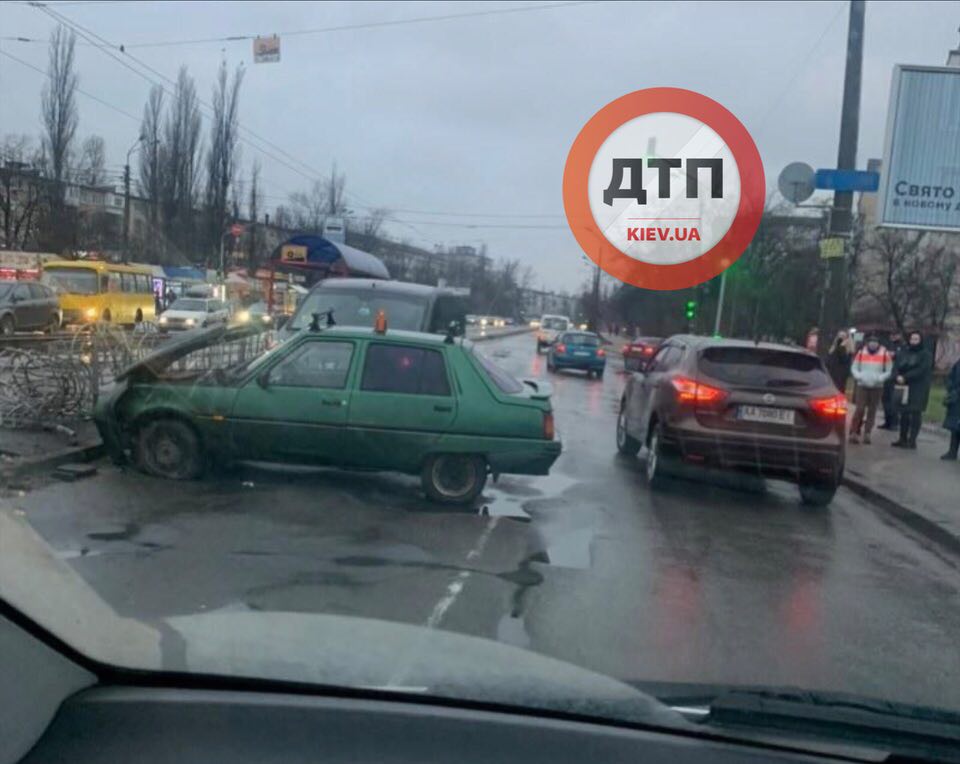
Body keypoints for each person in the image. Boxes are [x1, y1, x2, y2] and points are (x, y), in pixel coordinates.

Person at [891, 330, 933, 449]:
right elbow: (896, 365)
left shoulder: (926, 355)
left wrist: (905, 376)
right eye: (912, 339)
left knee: (915, 413)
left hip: (918, 387)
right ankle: (902, 438)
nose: (913, 341)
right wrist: (897, 376)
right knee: (904, 413)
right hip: (903, 385)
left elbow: (921, 370)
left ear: (920, 340)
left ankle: (912, 440)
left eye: (916, 339)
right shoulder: (904, 352)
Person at [849, 334, 893, 444]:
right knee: (860, 409)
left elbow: (888, 370)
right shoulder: (861, 353)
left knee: (872, 411)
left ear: (878, 344)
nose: (873, 344)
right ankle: (854, 432)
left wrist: (880, 378)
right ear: (867, 343)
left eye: (875, 342)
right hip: (862, 385)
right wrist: (859, 376)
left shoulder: (884, 354)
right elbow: (854, 367)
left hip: (877, 386)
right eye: (871, 342)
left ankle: (867, 433)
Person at [879, 331, 904, 430]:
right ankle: (887, 421)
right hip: (886, 375)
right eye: (892, 334)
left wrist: (895, 354)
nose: (893, 336)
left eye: (895, 334)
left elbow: (901, 358)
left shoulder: (902, 347)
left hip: (895, 376)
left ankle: (894, 423)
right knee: (885, 400)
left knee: (893, 401)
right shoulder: (887, 345)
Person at [941, 356, 960, 461]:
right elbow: (951, 376)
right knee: (955, 427)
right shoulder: (958, 362)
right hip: (956, 400)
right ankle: (952, 452)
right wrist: (950, 386)